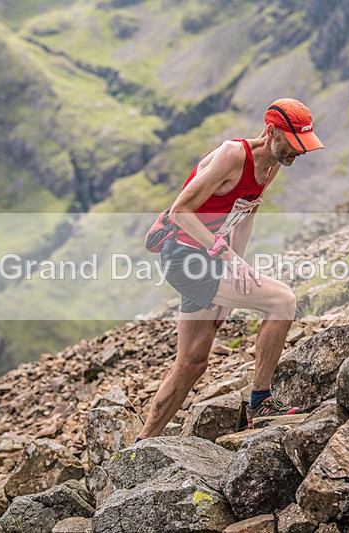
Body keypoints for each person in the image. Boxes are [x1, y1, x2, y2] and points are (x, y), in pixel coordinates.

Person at [136, 98, 324, 440]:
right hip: (183, 256)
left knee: (192, 363)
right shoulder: (233, 156)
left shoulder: (273, 163)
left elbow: (246, 212)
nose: (299, 153)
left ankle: (140, 444)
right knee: (282, 301)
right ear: (271, 132)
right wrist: (224, 255)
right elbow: (180, 211)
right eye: (294, 144)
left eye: (304, 146)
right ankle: (261, 405)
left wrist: (234, 266)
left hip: (207, 258)